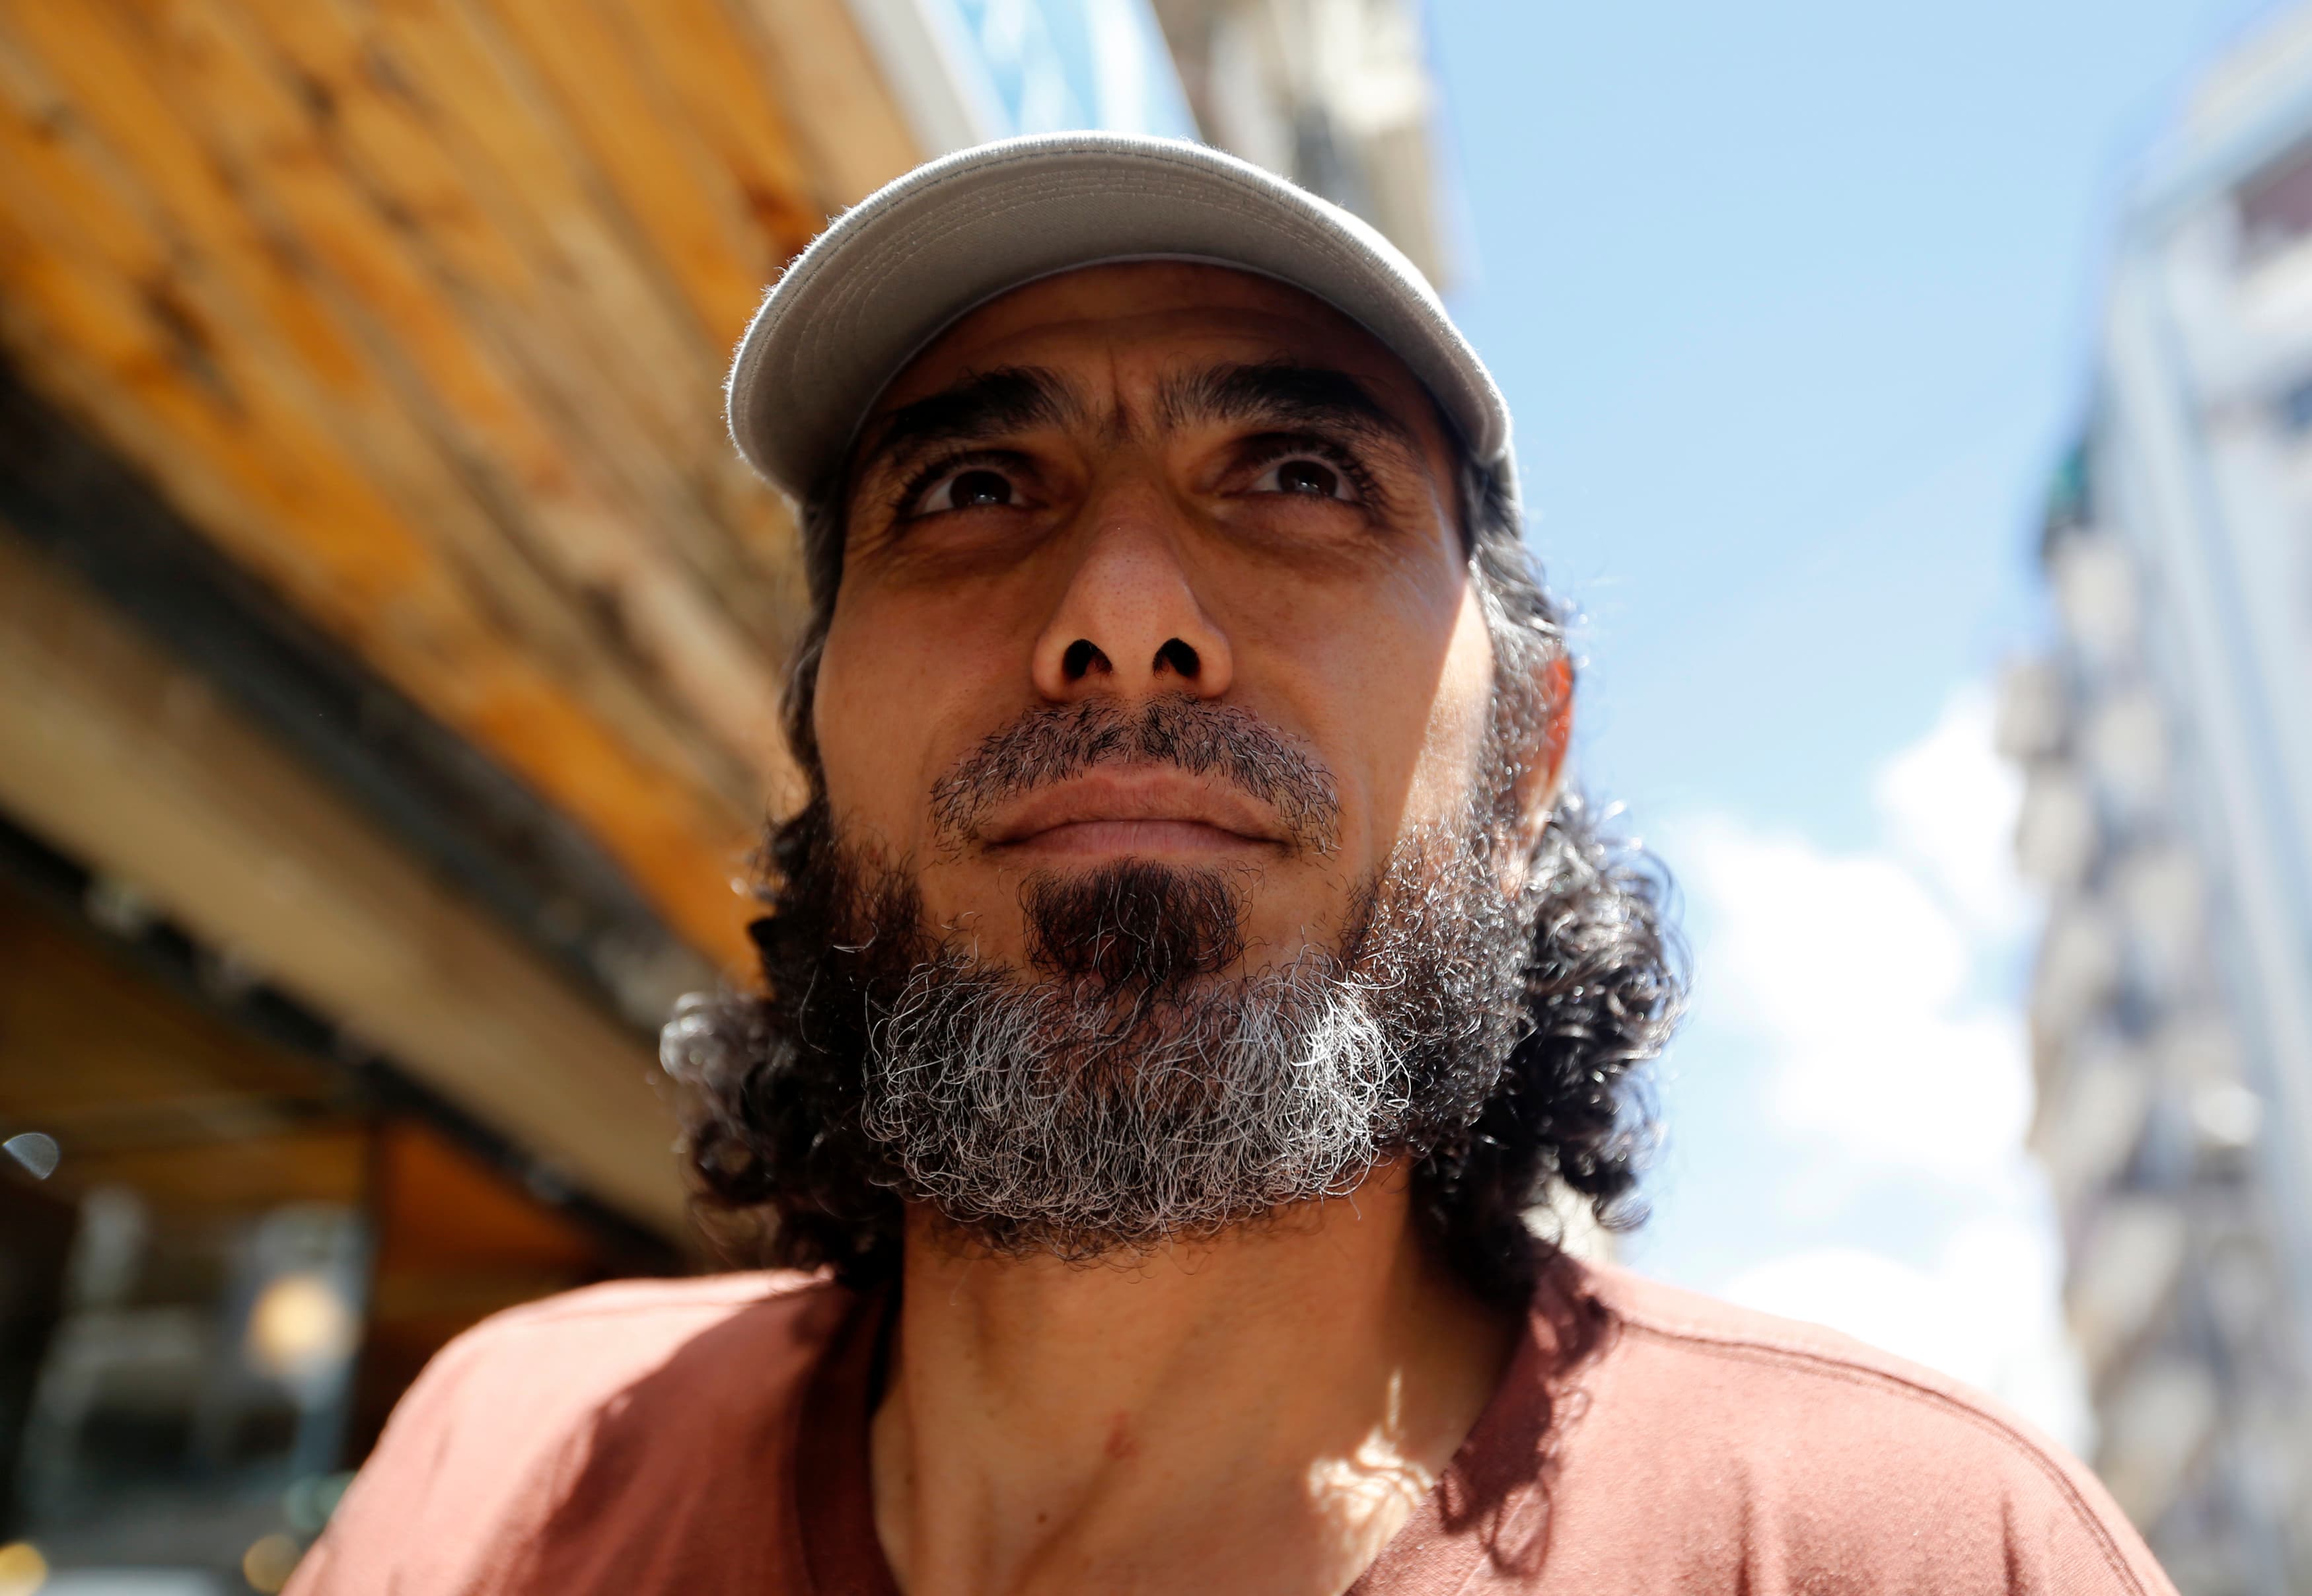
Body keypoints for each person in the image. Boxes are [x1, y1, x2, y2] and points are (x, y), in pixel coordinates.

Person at [289, 134, 2171, 1596]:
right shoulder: (499, 1477)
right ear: (817, 746)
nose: (1118, 611)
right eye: (970, 490)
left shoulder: (1912, 1548)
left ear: (1525, 759)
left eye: (1292, 475)